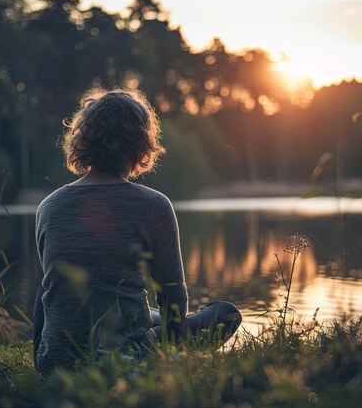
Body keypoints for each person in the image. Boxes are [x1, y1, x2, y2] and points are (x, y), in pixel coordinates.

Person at [32, 88, 242, 375]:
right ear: (141, 143)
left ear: (83, 139)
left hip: (56, 367)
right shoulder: (153, 205)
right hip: (125, 364)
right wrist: (172, 353)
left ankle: (56, 360)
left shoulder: (48, 206)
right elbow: (172, 296)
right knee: (225, 312)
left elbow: (55, 297)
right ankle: (151, 353)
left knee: (47, 287)